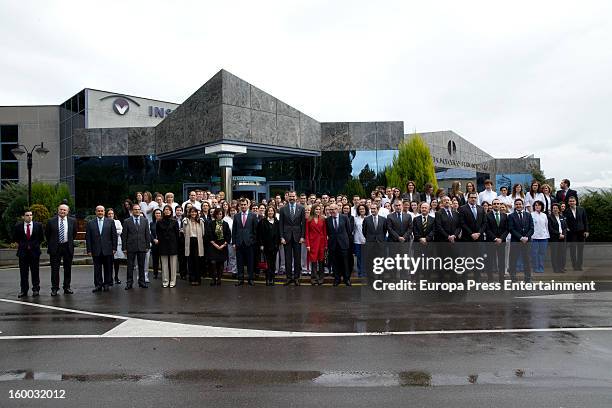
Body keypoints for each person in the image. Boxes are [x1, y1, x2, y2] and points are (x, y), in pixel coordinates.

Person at [45, 204, 77, 296]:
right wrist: (53, 243)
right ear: (58, 210)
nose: (62, 211)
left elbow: (73, 234)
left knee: (68, 268)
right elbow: (47, 234)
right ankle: (54, 288)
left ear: (67, 212)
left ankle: (67, 287)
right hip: (55, 247)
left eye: (64, 210)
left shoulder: (72, 221)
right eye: (61, 209)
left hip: (67, 247)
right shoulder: (51, 221)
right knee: (55, 269)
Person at [86, 205, 118, 292]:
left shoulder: (110, 222)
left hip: (108, 249)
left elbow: (114, 236)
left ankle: (106, 284)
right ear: (95, 212)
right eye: (98, 211)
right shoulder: (90, 223)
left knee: (108, 268)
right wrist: (89, 250)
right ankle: (98, 285)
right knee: (97, 268)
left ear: (104, 212)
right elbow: (88, 237)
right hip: (95, 250)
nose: (100, 212)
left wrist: (114, 248)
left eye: (102, 211)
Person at [14, 209, 44, 298]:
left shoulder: (38, 225)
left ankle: (36, 289)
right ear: (23, 217)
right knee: (23, 273)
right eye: (27, 215)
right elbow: (15, 238)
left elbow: (41, 238)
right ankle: (24, 290)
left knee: (35, 272)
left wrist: (33, 245)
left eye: (31, 215)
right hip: (23, 253)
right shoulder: (18, 226)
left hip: (34, 253)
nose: (29, 217)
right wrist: (24, 245)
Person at [121, 203, 151, 289]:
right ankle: (129, 283)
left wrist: (147, 246)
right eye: (135, 209)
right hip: (130, 247)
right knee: (130, 266)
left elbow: (147, 234)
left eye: (138, 209)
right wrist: (124, 248)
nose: (137, 211)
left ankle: (142, 282)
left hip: (142, 246)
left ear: (140, 210)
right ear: (132, 211)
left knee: (142, 266)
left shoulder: (144, 220)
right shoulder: (127, 221)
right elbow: (124, 235)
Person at [458, 192, 486, 281]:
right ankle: (464, 279)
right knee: (466, 259)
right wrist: (471, 234)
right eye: (471, 197)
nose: (473, 199)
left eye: (475, 197)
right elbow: (462, 223)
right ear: (468, 198)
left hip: (479, 238)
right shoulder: (462, 208)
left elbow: (484, 223)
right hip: (467, 238)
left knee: (477, 259)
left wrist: (479, 233)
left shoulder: (481, 208)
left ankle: (477, 278)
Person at [279, 191, 306, 286]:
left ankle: (297, 278)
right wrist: (281, 237)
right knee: (287, 258)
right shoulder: (282, 209)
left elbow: (303, 224)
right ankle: (289, 277)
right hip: (286, 238)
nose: (291, 198)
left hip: (298, 237)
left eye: (293, 196)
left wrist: (303, 236)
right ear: (287, 197)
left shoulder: (301, 208)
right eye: (290, 196)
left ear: (296, 197)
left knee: (297, 258)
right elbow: (281, 224)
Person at [232, 198, 259, 286]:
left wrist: (253, 241)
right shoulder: (236, 216)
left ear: (248, 205)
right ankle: (240, 279)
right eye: (242, 205)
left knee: (250, 262)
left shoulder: (253, 216)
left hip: (249, 243)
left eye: (245, 204)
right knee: (239, 262)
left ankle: (250, 279)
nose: (243, 206)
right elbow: (234, 231)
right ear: (239, 206)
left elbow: (256, 231)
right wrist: (234, 243)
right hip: (239, 243)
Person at [434, 196, 461, 281]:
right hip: (443, 241)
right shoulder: (438, 213)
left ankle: (454, 280)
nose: (447, 201)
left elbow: (459, 226)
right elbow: (439, 227)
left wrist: (454, 236)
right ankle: (441, 281)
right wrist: (448, 236)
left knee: (453, 261)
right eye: (444, 200)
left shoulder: (456, 213)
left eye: (448, 200)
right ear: (441, 203)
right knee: (442, 261)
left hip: (454, 241)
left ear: (451, 202)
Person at [325, 204, 352, 286]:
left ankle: (346, 279)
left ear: (337, 209)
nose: (332, 211)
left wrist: (348, 243)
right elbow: (328, 232)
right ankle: (337, 279)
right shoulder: (328, 220)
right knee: (335, 263)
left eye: (333, 209)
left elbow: (349, 231)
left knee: (345, 262)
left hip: (343, 244)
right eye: (330, 209)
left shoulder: (344, 217)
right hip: (333, 244)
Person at [508, 198, 534, 283]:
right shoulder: (511, 216)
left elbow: (532, 228)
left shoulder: (528, 215)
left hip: (527, 241)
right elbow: (511, 229)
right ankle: (513, 278)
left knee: (527, 260)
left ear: (522, 205)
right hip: (516, 241)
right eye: (517, 204)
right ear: (515, 206)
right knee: (513, 260)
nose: (518, 206)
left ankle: (528, 278)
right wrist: (520, 238)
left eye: (520, 204)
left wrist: (526, 237)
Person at [485, 198, 509, 283]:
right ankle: (490, 278)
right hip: (491, 241)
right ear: (492, 205)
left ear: (500, 205)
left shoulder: (504, 215)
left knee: (501, 261)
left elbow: (507, 229)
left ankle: (501, 278)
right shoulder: (487, 215)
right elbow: (487, 229)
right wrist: (495, 238)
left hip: (501, 242)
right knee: (490, 261)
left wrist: (501, 239)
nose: (496, 205)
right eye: (494, 203)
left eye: (498, 204)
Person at [156, 205, 180, 288]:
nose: (167, 211)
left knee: (173, 265)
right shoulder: (159, 222)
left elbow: (177, 235)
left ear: (171, 211)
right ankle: (165, 281)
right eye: (165, 209)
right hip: (163, 245)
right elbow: (158, 234)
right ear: (163, 211)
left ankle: (173, 281)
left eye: (168, 210)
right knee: (164, 265)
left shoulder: (174, 221)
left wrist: (177, 246)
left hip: (173, 245)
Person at [257, 206, 281, 286]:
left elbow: (279, 234)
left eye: (272, 211)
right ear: (267, 212)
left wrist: (278, 243)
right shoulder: (262, 221)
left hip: (275, 246)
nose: (270, 212)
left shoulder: (277, 222)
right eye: (269, 211)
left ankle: (272, 279)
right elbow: (259, 234)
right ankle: (267, 279)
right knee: (267, 263)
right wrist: (261, 244)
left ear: (274, 212)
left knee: (273, 263)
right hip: (266, 246)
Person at [207, 208, 231, 286]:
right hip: (213, 245)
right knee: (213, 263)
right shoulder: (211, 223)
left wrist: (223, 245)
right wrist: (215, 245)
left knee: (221, 263)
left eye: (220, 214)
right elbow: (209, 235)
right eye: (217, 214)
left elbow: (228, 235)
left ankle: (219, 279)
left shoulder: (225, 224)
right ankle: (213, 278)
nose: (219, 215)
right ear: (215, 215)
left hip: (223, 245)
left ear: (222, 215)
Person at [305, 204, 327, 285]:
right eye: (316, 209)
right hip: (312, 242)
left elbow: (325, 233)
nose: (318, 211)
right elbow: (306, 233)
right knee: (313, 261)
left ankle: (321, 278)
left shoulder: (323, 219)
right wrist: (308, 244)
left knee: (321, 261)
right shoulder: (308, 220)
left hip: (321, 242)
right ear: (313, 210)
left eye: (319, 209)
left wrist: (325, 244)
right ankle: (313, 278)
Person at [564, 196, 589, 271]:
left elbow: (585, 221)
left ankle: (579, 266)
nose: (572, 202)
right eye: (570, 201)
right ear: (568, 203)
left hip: (581, 232)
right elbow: (565, 222)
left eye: (573, 201)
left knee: (580, 250)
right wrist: (567, 228)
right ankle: (574, 266)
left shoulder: (581, 209)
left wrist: (586, 231)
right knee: (573, 250)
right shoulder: (566, 211)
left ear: (576, 202)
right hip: (572, 233)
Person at [412, 202, 435, 280]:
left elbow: (433, 231)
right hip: (418, 244)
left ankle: (427, 278)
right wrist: (420, 239)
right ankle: (417, 278)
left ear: (429, 209)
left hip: (429, 244)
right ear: (420, 209)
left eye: (425, 208)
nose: (424, 209)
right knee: (418, 262)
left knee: (428, 262)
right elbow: (414, 231)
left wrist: (426, 239)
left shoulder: (433, 219)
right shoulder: (415, 219)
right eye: (422, 208)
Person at [184, 207, 205, 285]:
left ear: (197, 213)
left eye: (195, 212)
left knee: (197, 261)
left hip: (198, 242)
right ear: (189, 213)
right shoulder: (186, 221)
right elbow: (185, 233)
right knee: (190, 261)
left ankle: (197, 279)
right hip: (189, 241)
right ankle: (192, 279)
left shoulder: (201, 221)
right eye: (192, 212)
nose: (193, 213)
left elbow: (203, 233)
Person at [530, 200, 549, 273]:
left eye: (539, 205)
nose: (537, 206)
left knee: (542, 253)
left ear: (542, 206)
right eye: (536, 205)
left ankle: (541, 267)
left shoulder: (544, 215)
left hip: (544, 237)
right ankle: (536, 267)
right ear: (534, 207)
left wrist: (547, 235)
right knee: (534, 253)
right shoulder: (531, 214)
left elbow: (546, 226)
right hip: (534, 237)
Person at [548, 203, 568, 273]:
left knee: (561, 253)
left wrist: (563, 235)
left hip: (562, 238)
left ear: (559, 209)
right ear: (552, 209)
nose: (555, 209)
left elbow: (565, 227)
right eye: (554, 208)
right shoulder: (549, 217)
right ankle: (555, 268)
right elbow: (550, 229)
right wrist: (558, 234)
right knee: (554, 254)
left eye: (556, 208)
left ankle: (561, 268)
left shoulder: (562, 217)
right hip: (554, 238)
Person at [106, 208, 124, 285]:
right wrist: (115, 231)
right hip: (108, 244)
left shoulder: (117, 221)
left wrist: (112, 231)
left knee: (117, 262)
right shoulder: (105, 222)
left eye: (112, 214)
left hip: (117, 244)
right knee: (109, 262)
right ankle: (109, 278)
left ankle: (116, 277)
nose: (110, 215)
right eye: (109, 214)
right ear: (107, 215)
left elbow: (120, 231)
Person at [352, 204, 368, 278]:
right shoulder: (355, 219)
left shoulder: (368, 218)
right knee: (359, 257)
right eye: (360, 209)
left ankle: (366, 272)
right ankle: (360, 272)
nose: (361, 210)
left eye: (363, 209)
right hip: (357, 241)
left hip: (366, 241)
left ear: (366, 210)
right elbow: (354, 230)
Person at [149, 208, 163, 279]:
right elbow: (150, 233)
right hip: (154, 244)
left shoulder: (163, 222)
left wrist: (160, 240)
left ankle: (164, 273)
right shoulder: (152, 223)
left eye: (159, 213)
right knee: (155, 260)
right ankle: (155, 273)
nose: (158, 214)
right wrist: (153, 239)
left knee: (163, 260)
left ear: (161, 214)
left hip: (162, 244)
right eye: (156, 213)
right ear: (154, 215)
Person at [174, 206, 187, 279]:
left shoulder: (184, 219)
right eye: (177, 210)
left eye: (180, 210)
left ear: (182, 211)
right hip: (175, 241)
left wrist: (183, 231)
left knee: (183, 259)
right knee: (175, 259)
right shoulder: (172, 218)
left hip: (183, 241)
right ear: (175, 211)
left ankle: (183, 274)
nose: (178, 211)